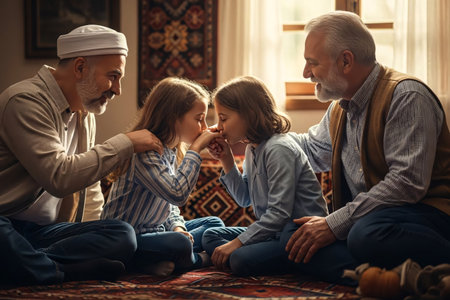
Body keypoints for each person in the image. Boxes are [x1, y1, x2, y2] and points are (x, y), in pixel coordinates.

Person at [282, 11, 450, 285]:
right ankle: (398, 279)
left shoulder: (406, 95)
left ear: (346, 61)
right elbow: (311, 151)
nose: (306, 73)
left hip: (425, 215)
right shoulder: (339, 106)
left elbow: (407, 184)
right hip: (370, 219)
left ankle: (373, 272)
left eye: (312, 63)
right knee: (293, 234)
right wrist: (258, 134)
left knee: (364, 235)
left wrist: (334, 224)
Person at [0, 25, 164, 286]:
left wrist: (98, 234)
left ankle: (28, 264)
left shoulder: (84, 112)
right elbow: (59, 177)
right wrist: (125, 144)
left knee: (122, 234)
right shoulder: (24, 101)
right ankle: (59, 272)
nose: (117, 89)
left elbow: (89, 187)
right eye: (113, 76)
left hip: (44, 234)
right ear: (79, 68)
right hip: (7, 223)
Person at [202, 76, 328, 276]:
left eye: (223, 118)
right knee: (211, 236)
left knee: (239, 258)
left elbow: (279, 214)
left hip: (296, 233)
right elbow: (244, 198)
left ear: (249, 115)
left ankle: (295, 262)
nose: (219, 126)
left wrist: (236, 245)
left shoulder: (279, 149)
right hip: (273, 234)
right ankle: (253, 256)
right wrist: (226, 158)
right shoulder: (253, 147)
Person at [101, 77, 225, 276]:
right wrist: (196, 149)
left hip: (158, 232)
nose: (203, 127)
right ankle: (193, 260)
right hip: (129, 239)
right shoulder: (146, 154)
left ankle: (160, 260)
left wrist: (177, 226)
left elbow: (169, 205)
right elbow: (177, 194)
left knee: (214, 225)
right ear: (173, 118)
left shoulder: (170, 150)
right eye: (199, 118)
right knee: (180, 243)